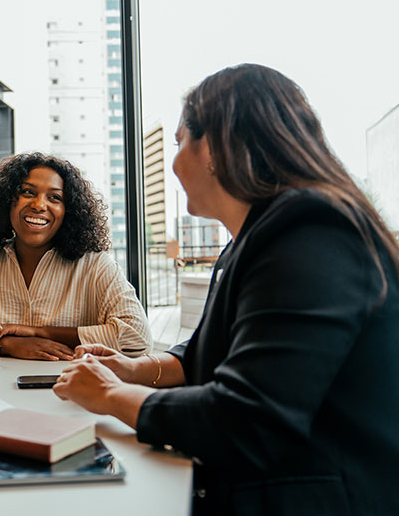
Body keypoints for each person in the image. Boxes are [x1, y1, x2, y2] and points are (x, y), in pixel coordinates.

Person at [53, 64, 399, 515]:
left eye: (179, 143)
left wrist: (111, 396)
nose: (173, 162)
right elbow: (213, 353)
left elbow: (247, 420)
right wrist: (135, 370)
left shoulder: (309, 231)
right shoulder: (257, 236)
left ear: (213, 146)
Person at [0, 152, 152, 361]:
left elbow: (137, 336)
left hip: (72, 394)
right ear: (7, 201)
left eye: (54, 198)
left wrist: (38, 332)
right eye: (27, 192)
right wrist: (8, 344)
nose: (39, 205)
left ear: (68, 211)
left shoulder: (96, 266)